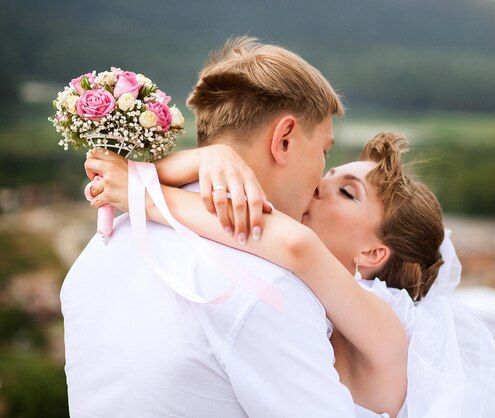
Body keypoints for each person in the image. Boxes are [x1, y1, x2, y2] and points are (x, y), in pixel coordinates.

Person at [88, 132, 495, 417]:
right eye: (333, 172)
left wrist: (143, 194)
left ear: (373, 254)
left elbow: (292, 244)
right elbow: (233, 192)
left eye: (348, 192)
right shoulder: (316, 305)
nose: (320, 184)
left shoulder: (393, 331)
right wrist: (207, 156)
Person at [62, 36, 357, 417]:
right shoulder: (265, 286)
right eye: (324, 151)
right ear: (283, 140)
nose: (321, 180)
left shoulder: (99, 251)